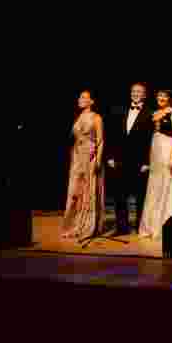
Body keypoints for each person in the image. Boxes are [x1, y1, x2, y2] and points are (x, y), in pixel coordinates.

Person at [138, 90, 172, 239]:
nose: (161, 98)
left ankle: (169, 225)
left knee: (169, 182)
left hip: (168, 148)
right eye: (159, 96)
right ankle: (153, 225)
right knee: (155, 185)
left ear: (170, 99)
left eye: (164, 96)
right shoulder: (155, 113)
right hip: (156, 149)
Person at [107, 83, 152, 235]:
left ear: (144, 95)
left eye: (139, 91)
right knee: (119, 195)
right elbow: (113, 135)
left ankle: (140, 226)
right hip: (120, 159)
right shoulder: (120, 110)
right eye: (133, 91)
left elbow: (151, 141)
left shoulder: (150, 113)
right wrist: (110, 156)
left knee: (140, 196)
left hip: (139, 161)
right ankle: (122, 227)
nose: (136, 94)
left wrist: (147, 162)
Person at [61, 90, 105, 240]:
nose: (80, 99)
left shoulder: (96, 118)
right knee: (75, 191)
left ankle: (87, 225)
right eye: (80, 97)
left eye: (84, 97)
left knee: (88, 190)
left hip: (90, 156)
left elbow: (100, 140)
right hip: (77, 156)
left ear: (92, 101)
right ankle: (74, 224)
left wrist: (98, 159)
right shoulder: (78, 116)